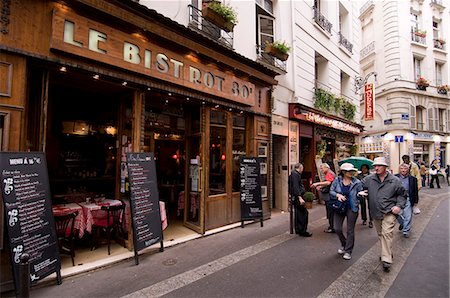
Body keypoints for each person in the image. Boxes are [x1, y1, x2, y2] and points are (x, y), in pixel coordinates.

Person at [358, 157, 406, 272]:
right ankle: (387, 252)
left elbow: (402, 195)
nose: (376, 168)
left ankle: (386, 259)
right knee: (381, 234)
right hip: (375, 212)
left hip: (389, 212)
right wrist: (360, 191)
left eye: (379, 166)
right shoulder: (369, 179)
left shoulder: (395, 180)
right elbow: (357, 185)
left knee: (386, 233)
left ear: (385, 167)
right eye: (375, 166)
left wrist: (398, 206)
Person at [329, 163, 362, 260]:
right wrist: (338, 195)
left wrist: (359, 195)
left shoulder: (357, 182)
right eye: (348, 171)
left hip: (352, 207)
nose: (351, 173)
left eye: (352, 171)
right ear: (343, 172)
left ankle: (348, 251)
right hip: (339, 207)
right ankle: (344, 243)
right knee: (337, 228)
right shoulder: (337, 180)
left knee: (350, 230)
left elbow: (360, 193)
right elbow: (331, 191)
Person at [395, 163, 419, 238]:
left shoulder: (413, 179)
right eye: (402, 168)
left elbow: (415, 191)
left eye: (405, 169)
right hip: (397, 198)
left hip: (408, 198)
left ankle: (406, 230)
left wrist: (415, 202)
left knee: (408, 215)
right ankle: (403, 224)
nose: (403, 170)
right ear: (399, 169)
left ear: (408, 170)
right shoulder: (394, 177)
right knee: (397, 214)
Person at [289, 163, 312, 237]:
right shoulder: (295, 175)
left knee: (299, 213)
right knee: (303, 213)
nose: (303, 170)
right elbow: (296, 186)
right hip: (298, 197)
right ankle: (302, 231)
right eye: (302, 168)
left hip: (297, 196)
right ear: (300, 168)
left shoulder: (294, 174)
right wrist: (300, 197)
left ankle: (299, 229)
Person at [311, 163, 336, 233]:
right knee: (330, 212)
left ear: (326, 168)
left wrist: (317, 184)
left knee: (331, 212)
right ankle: (332, 226)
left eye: (322, 168)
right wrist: (321, 186)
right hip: (330, 196)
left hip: (330, 196)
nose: (321, 170)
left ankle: (332, 227)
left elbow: (328, 183)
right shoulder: (329, 173)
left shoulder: (329, 173)